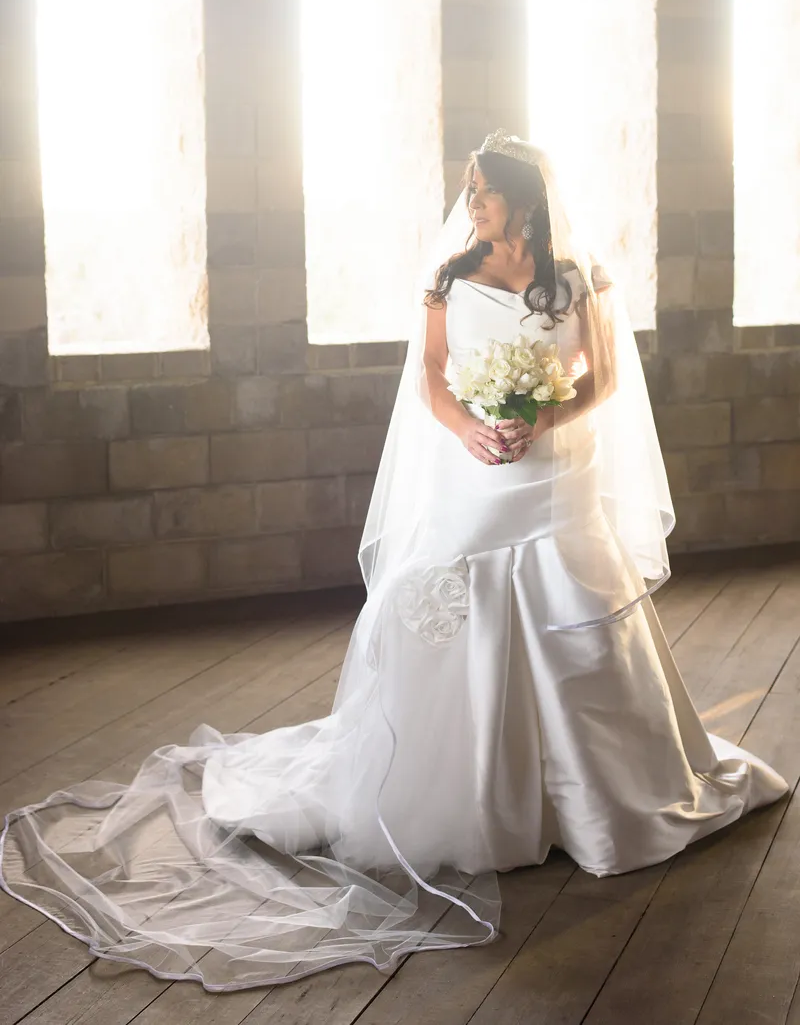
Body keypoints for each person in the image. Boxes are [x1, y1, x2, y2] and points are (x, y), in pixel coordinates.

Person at [0, 130, 788, 992]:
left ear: (524, 197)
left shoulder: (579, 275)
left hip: (555, 477)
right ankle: (472, 798)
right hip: (474, 476)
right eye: (469, 189)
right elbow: (433, 379)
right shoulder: (450, 277)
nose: (471, 201)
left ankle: (598, 795)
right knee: (457, 613)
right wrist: (474, 430)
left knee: (577, 615)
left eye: (484, 189)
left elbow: (600, 379)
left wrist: (541, 418)